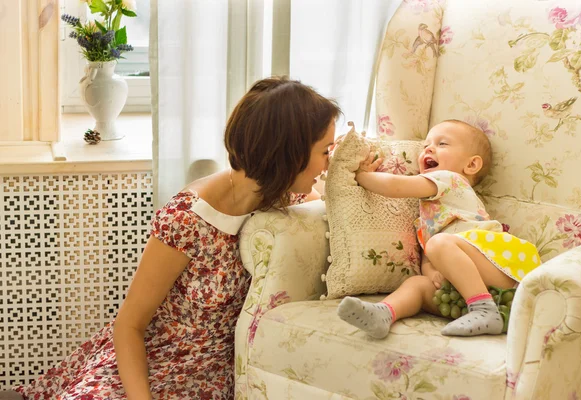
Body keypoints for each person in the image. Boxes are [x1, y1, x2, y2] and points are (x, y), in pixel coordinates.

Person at [6, 77, 340, 400]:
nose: (328, 164)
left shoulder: (283, 197)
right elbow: (129, 325)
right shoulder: (187, 220)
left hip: (210, 378)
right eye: (325, 151)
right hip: (148, 367)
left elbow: (339, 207)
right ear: (290, 155)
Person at [337, 119, 541, 338]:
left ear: (471, 165)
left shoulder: (451, 180)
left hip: (502, 270)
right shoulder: (429, 215)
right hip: (468, 293)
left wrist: (359, 175)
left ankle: (484, 309)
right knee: (417, 283)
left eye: (442, 144)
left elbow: (394, 186)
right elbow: (429, 254)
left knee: (439, 243)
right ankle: (384, 313)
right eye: (426, 145)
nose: (429, 148)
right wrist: (432, 272)